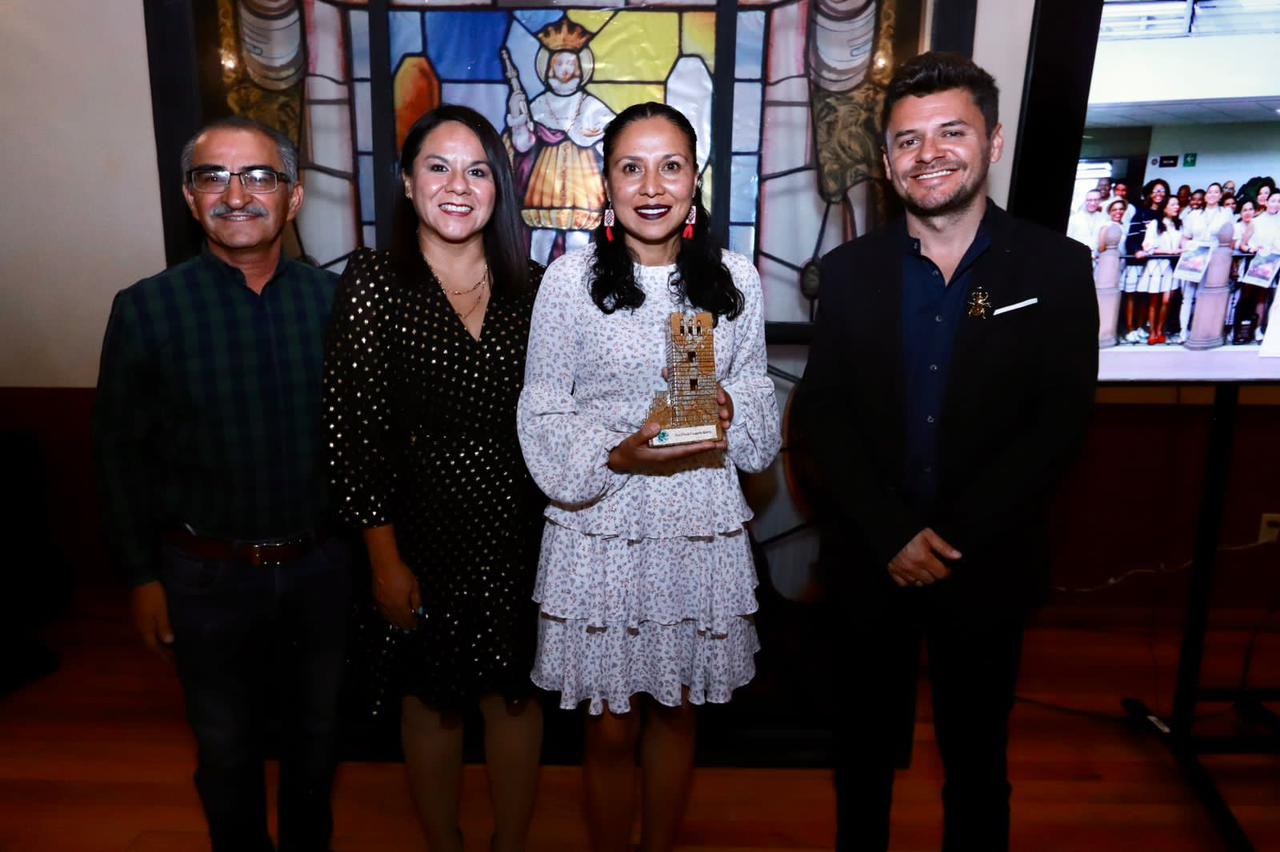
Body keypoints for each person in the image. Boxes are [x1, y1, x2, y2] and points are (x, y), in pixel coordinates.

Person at [792, 52, 1097, 852]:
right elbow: (824, 416)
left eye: (950, 132)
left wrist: (952, 537)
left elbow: (1059, 422)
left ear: (992, 141)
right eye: (908, 140)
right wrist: (892, 533)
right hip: (872, 559)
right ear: (887, 160)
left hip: (988, 560)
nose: (929, 153)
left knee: (977, 761)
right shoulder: (848, 273)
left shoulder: (1057, 268)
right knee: (861, 759)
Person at [516, 101, 781, 852]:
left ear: (695, 179)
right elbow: (541, 406)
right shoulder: (568, 282)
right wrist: (615, 457)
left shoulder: (733, 280)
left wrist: (732, 406)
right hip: (602, 519)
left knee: (677, 709)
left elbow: (757, 396)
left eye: (671, 166)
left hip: (697, 517)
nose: (652, 185)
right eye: (631, 168)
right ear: (606, 183)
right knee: (609, 726)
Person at [93, 116, 349, 852]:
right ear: (190, 196)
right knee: (226, 748)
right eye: (214, 177)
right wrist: (141, 578)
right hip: (204, 577)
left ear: (293, 197)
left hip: (322, 570)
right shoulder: (146, 308)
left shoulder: (335, 304)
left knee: (316, 744)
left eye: (260, 176)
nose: (237, 195)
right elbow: (118, 455)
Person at [323, 105, 545, 852]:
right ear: (407, 182)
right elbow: (354, 436)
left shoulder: (533, 287)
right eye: (438, 167)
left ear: (499, 188)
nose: (458, 185)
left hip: (519, 522)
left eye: (477, 170)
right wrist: (384, 561)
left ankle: (510, 844)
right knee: (429, 697)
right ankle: (443, 843)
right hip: (417, 525)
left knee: (515, 694)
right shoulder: (375, 282)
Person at [507, 18, 616, 265]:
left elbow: (615, 141)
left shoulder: (591, 106)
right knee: (541, 236)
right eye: (559, 63)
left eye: (570, 63)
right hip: (544, 181)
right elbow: (522, 146)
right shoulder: (539, 104)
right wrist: (518, 116)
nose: (565, 69)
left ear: (579, 68)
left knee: (579, 239)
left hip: (584, 184)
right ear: (549, 67)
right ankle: (535, 282)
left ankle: (579, 283)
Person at [1176, 182, 1232, 342]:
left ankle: (1199, 329)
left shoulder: (1225, 213)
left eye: (1216, 192)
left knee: (1204, 295)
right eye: (1210, 192)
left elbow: (1229, 238)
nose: (1212, 195)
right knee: (1187, 296)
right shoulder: (1194, 215)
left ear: (1220, 196)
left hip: (1214, 259)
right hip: (1194, 258)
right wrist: (1187, 249)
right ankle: (1183, 331)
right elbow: (1185, 237)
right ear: (1206, 196)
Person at [1120, 180, 1169, 343]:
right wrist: (1136, 251)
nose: (1159, 194)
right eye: (1156, 190)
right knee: (1132, 295)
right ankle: (1130, 328)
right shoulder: (1141, 212)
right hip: (1138, 260)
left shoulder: (1164, 215)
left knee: (1146, 297)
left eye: (1162, 191)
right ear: (1149, 193)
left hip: (1154, 263)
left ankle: (1141, 327)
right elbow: (1131, 238)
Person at [1138, 196, 1184, 345]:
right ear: (1164, 207)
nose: (1176, 207)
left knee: (1166, 300)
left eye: (1177, 204)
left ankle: (1160, 329)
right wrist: (1169, 251)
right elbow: (1148, 246)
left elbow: (1183, 244)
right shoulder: (1155, 224)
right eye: (1173, 204)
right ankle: (1153, 332)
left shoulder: (1179, 225)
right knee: (1154, 300)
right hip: (1156, 265)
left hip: (1171, 266)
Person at [1067, 189, 1107, 255]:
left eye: (1096, 200)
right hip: (1076, 254)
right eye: (1089, 200)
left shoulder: (1104, 219)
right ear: (1085, 201)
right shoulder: (1074, 218)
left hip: (1096, 257)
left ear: (1100, 201)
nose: (1092, 203)